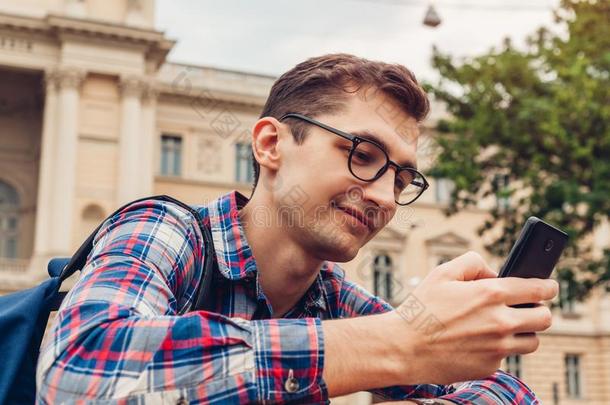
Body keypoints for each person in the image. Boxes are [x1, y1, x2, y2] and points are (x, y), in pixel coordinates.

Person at [37, 53, 558, 404]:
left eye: (402, 179)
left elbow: (508, 392)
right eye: (363, 154)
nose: (383, 195)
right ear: (269, 146)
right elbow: (78, 370)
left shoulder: (335, 298)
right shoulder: (166, 231)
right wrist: (396, 343)